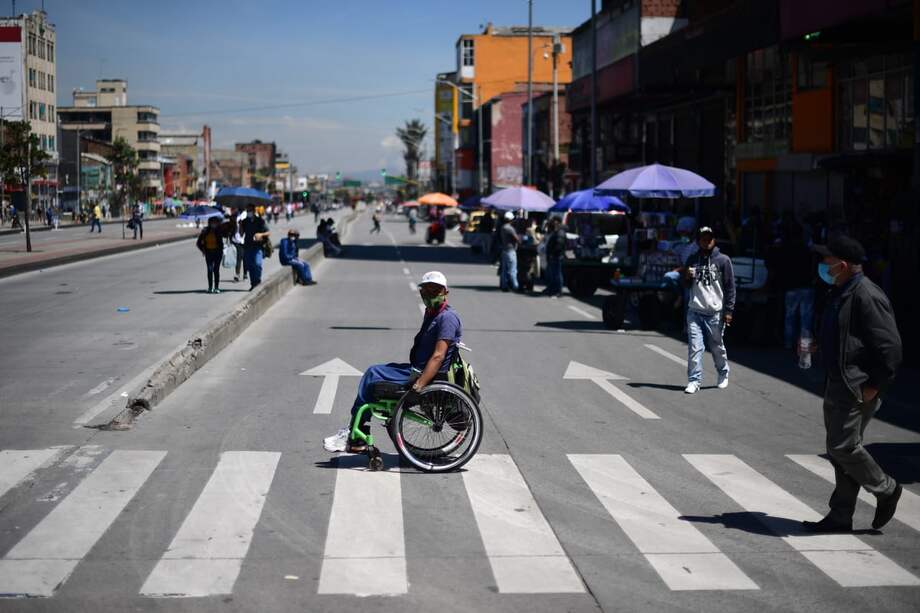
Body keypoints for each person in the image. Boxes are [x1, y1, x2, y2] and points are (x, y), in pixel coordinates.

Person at [800, 235, 903, 533]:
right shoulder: (841, 290)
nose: (822, 265)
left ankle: (886, 489)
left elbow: (890, 348)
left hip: (857, 386)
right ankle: (840, 516)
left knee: (842, 446)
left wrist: (875, 385)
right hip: (838, 382)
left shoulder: (866, 295)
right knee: (838, 451)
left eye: (826, 261)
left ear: (842, 265)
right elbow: (850, 338)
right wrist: (821, 347)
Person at [323, 271, 462, 453]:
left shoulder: (447, 318)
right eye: (426, 290)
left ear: (445, 292)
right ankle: (357, 432)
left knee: (372, 374)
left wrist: (419, 385)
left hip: (424, 375)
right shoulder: (433, 313)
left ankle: (356, 434)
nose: (429, 294)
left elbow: (438, 356)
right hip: (416, 370)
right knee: (378, 372)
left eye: (435, 290)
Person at [681, 227, 735, 394]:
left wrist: (728, 311)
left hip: (715, 313)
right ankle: (694, 381)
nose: (707, 241)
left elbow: (730, 287)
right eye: (703, 239)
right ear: (699, 241)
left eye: (709, 238)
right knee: (695, 347)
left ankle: (723, 371)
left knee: (716, 346)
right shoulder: (692, 259)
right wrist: (687, 276)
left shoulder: (723, 260)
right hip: (695, 311)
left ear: (714, 240)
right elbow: (685, 285)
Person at [765, 221, 815, 350]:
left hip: (791, 287)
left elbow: (774, 263)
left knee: (790, 317)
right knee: (805, 319)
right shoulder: (806, 249)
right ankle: (804, 346)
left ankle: (789, 344)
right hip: (806, 286)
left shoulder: (784, 248)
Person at [240, 203, 270, 290]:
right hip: (248, 246)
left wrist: (260, 234)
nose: (249, 212)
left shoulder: (260, 221)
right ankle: (253, 284)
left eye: (250, 210)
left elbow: (268, 232)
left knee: (257, 264)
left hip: (258, 247)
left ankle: (258, 281)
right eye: (247, 211)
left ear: (254, 211)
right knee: (250, 266)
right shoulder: (245, 221)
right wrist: (240, 225)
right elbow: (241, 234)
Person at [197, 216, 225, 294]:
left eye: (215, 222)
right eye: (212, 222)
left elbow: (226, 233)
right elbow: (198, 243)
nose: (213, 224)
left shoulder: (219, 230)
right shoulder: (205, 231)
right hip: (208, 252)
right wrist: (203, 250)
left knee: (216, 270)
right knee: (209, 270)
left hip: (218, 253)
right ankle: (210, 287)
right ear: (209, 223)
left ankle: (216, 287)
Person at [543, 216, 566, 297]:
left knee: (557, 274)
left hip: (556, 256)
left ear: (557, 222)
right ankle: (552, 289)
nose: (553, 223)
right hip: (553, 255)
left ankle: (558, 291)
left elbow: (559, 245)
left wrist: (553, 253)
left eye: (554, 221)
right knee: (552, 274)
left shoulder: (560, 232)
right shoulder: (556, 231)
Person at [499, 211, 520, 292]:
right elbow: (517, 239)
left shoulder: (503, 227)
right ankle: (515, 286)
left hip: (504, 250)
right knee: (512, 269)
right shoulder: (509, 228)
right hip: (510, 250)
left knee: (504, 269)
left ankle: (504, 285)